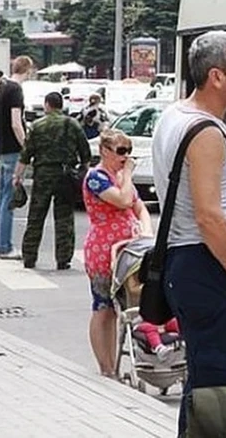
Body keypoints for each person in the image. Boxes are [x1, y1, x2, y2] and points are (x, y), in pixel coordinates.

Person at [151, 30, 226, 435]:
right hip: (207, 264)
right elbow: (210, 216)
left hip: (188, 263)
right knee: (216, 389)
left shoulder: (174, 116)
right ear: (216, 75)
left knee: (202, 387)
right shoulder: (207, 133)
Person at [82, 128, 153, 376]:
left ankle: (113, 365)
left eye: (129, 151)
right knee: (103, 308)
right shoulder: (96, 177)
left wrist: (145, 232)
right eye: (121, 151)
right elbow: (123, 200)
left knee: (120, 310)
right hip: (104, 250)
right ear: (104, 151)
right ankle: (106, 367)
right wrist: (129, 174)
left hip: (131, 251)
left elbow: (139, 207)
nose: (126, 157)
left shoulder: (122, 177)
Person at [14, 92, 91, 270]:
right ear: (61, 105)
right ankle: (63, 259)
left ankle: (29, 257)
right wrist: (83, 172)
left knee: (35, 217)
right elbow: (84, 152)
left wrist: (17, 176)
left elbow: (26, 155)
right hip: (65, 175)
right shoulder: (72, 124)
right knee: (64, 218)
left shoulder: (36, 126)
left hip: (43, 175)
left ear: (47, 105)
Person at [0, 55, 33, 260]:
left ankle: (2, 244)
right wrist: (27, 146)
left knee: (3, 198)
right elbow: (16, 123)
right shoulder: (16, 90)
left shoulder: (2, 87)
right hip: (13, 149)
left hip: (2, 148)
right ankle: (6, 247)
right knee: (10, 199)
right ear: (27, 69)